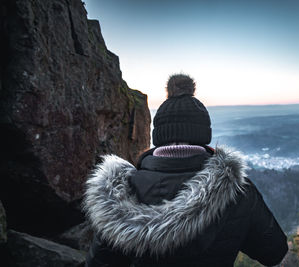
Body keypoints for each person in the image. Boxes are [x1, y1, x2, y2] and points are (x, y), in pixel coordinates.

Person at [83, 74, 288, 267]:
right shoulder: (238, 192)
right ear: (204, 135)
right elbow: (274, 252)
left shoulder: (118, 196)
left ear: (159, 136)